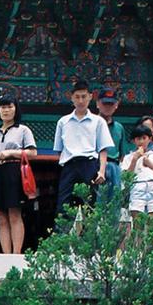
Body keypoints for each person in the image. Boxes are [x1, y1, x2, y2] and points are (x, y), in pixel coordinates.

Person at [53, 80, 113, 214]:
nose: (80, 101)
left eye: (84, 96)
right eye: (77, 97)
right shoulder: (63, 122)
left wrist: (101, 171)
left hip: (89, 164)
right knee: (64, 205)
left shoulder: (98, 121)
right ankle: (64, 234)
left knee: (88, 204)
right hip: (69, 165)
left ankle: (87, 235)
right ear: (71, 97)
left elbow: (103, 148)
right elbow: (59, 150)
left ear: (90, 97)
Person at [0, 93, 37, 255]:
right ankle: (5, 254)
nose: (6, 110)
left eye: (9, 106)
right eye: (3, 107)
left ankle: (16, 253)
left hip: (13, 171)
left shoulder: (23, 130)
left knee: (14, 212)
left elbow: (32, 153)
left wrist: (10, 153)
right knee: (1, 215)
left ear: (16, 109)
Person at [121, 125, 153, 216]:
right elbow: (126, 178)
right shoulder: (129, 157)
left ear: (150, 139)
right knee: (138, 220)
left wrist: (150, 164)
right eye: (138, 138)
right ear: (134, 140)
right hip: (137, 186)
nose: (141, 141)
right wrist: (134, 160)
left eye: (144, 138)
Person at [94, 88, 130, 201]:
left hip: (114, 166)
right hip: (95, 165)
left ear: (116, 105)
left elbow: (122, 154)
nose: (107, 107)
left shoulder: (119, 128)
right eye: (105, 103)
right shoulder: (91, 124)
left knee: (115, 203)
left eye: (111, 104)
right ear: (98, 104)